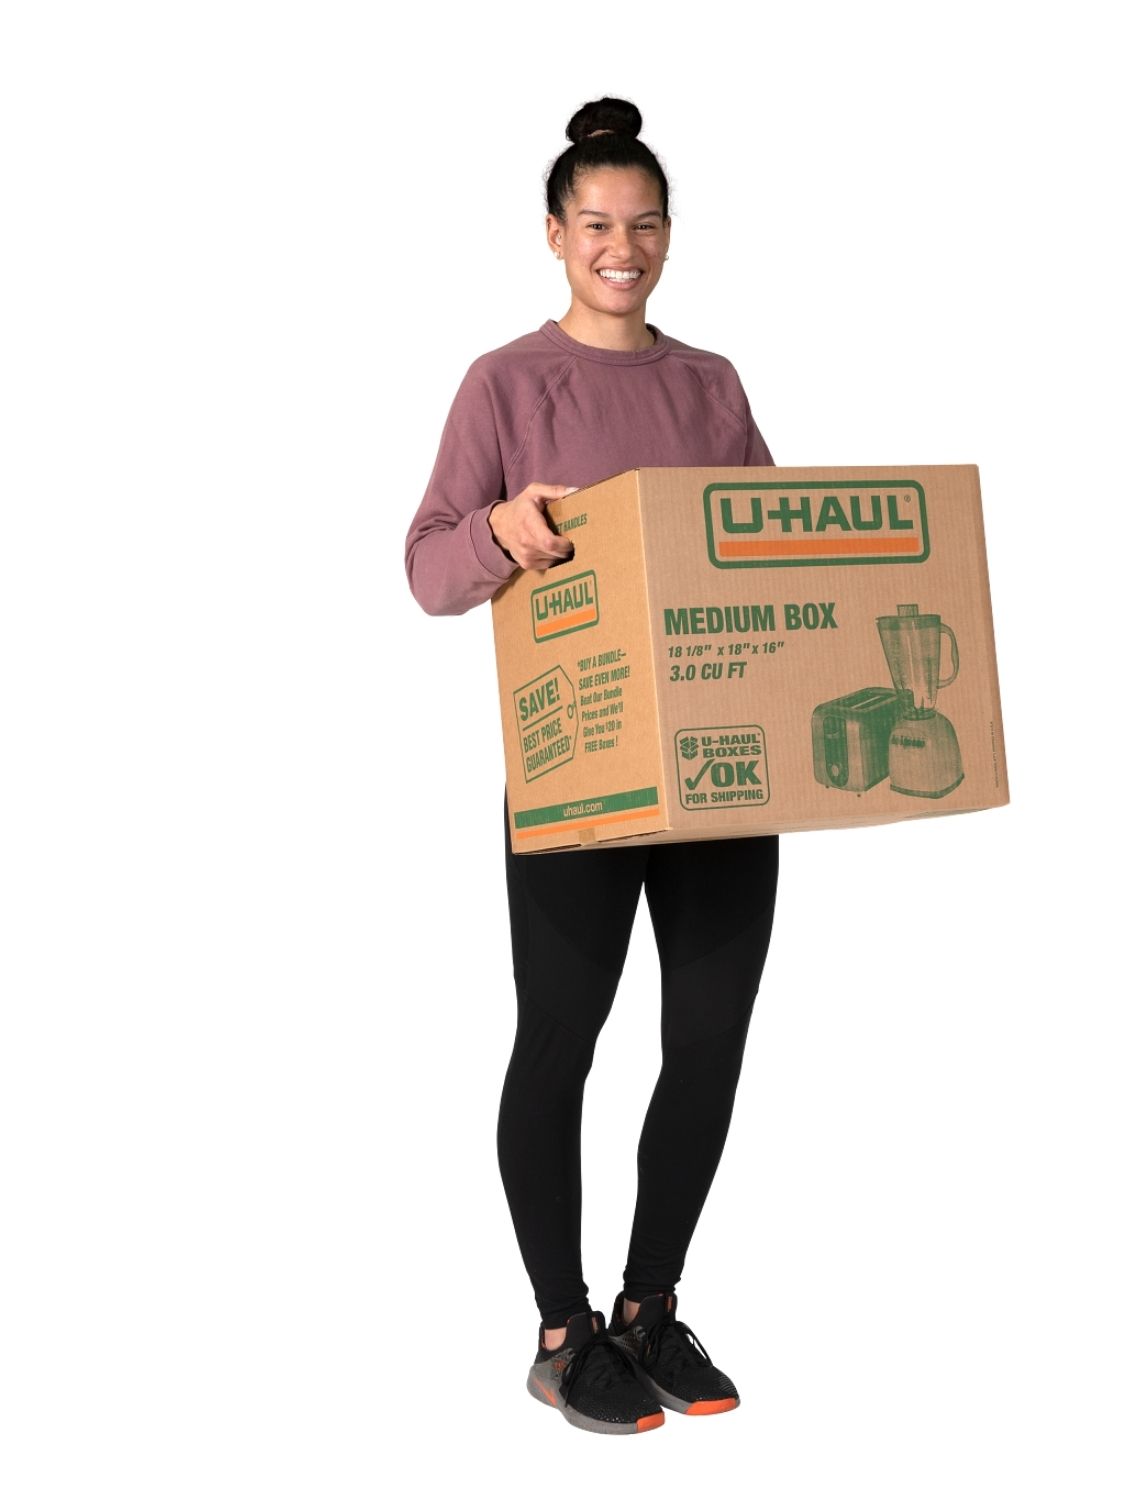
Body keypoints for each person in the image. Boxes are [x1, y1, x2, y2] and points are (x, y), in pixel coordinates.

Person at [403, 97, 778, 1436]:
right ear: (556, 236)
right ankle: (563, 1331)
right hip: (579, 774)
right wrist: (502, 530)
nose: (625, 248)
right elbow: (427, 568)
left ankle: (648, 1306)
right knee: (561, 1038)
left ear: (670, 235)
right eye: (598, 225)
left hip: (723, 773)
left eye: (646, 224)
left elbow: (763, 543)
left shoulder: (712, 384)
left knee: (710, 1040)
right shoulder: (506, 384)